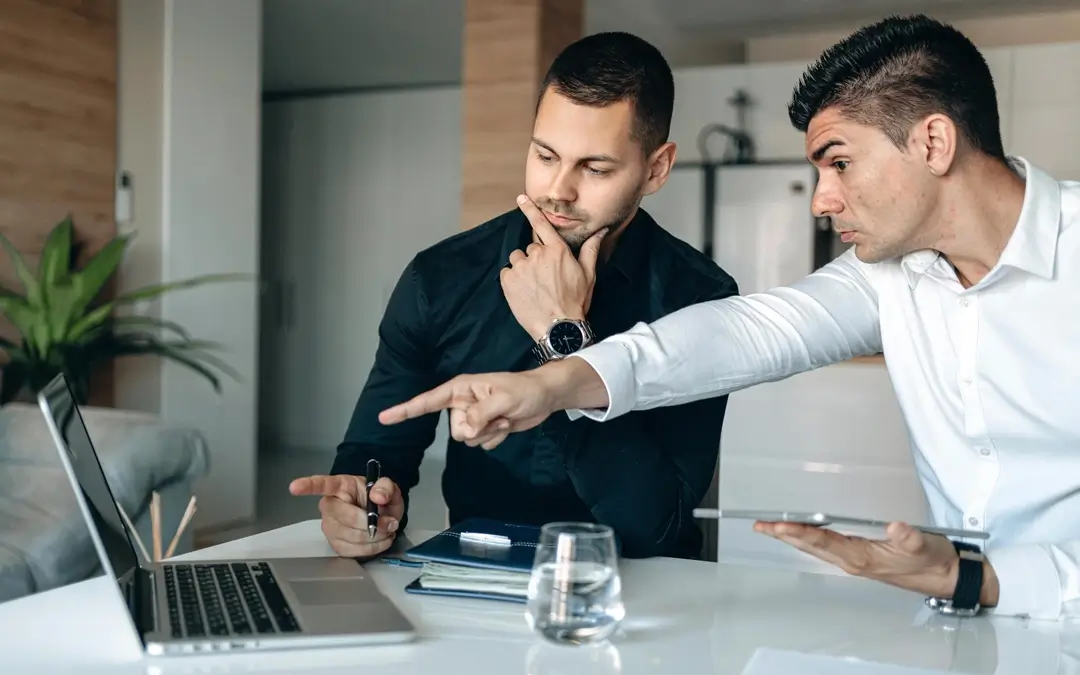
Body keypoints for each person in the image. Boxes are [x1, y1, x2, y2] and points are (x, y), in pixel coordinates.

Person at [379, 14, 1080, 621]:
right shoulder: (896, 276)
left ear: (932, 143)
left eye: (839, 163)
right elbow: (745, 331)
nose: (821, 200)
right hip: (979, 622)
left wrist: (978, 576)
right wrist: (552, 382)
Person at [289, 31, 739, 561]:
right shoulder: (439, 279)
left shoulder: (700, 298)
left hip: (644, 594)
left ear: (656, 169)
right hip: (475, 574)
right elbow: (377, 449)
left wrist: (564, 338)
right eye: (545, 155)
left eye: (595, 169)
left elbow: (656, 527)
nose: (558, 190)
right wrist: (367, 504)